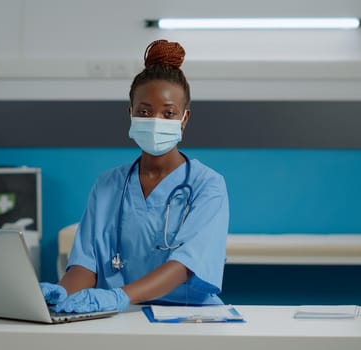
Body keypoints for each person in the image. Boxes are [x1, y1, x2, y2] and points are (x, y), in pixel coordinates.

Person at [40, 39, 229, 313]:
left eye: (168, 113)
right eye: (144, 111)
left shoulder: (207, 185)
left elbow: (186, 265)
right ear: (130, 114)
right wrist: (62, 291)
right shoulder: (108, 185)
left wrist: (118, 296)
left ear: (184, 119)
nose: (155, 121)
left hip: (187, 317)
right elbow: (86, 263)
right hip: (118, 316)